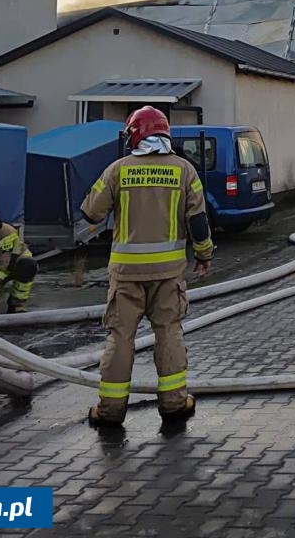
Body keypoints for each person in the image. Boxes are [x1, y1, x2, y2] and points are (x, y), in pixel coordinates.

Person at [81, 106, 215, 428]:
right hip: (169, 273)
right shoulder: (185, 171)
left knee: (120, 337)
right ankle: (173, 404)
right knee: (168, 332)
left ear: (135, 135)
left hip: (126, 274)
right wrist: (204, 255)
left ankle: (110, 411)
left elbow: (90, 213)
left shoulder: (118, 170)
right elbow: (197, 221)